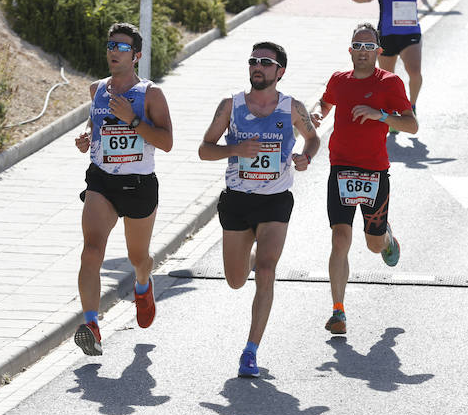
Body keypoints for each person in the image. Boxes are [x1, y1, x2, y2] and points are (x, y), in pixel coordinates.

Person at [199, 41, 319, 377]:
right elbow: (205, 150)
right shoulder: (231, 105)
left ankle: (250, 351)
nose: (258, 67)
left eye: (266, 63)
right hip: (238, 200)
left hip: (275, 200)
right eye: (254, 61)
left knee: (266, 271)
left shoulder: (292, 108)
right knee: (236, 280)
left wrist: (306, 157)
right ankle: (250, 256)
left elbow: (313, 138)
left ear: (280, 71)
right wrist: (235, 149)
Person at [310, 23, 418, 336]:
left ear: (378, 51)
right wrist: (317, 113)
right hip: (341, 168)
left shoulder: (389, 83)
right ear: (350, 50)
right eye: (358, 46)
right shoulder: (339, 80)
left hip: (374, 171)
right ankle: (338, 311)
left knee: (373, 245)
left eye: (369, 47)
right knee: (340, 238)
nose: (363, 52)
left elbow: (412, 125)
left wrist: (380, 115)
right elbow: (325, 102)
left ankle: (387, 239)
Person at [73, 22, 174, 356]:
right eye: (110, 45)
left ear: (136, 56)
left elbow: (167, 142)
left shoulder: (150, 94)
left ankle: (143, 286)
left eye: (121, 47)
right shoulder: (97, 89)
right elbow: (96, 122)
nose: (113, 51)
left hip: (139, 184)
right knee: (91, 250)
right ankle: (91, 325)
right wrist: (86, 136)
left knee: (138, 258)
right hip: (102, 180)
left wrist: (133, 119)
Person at [351, 0, 447, 113]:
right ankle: (392, 111)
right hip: (387, 33)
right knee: (389, 78)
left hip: (411, 32)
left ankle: (411, 106)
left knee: (415, 72)